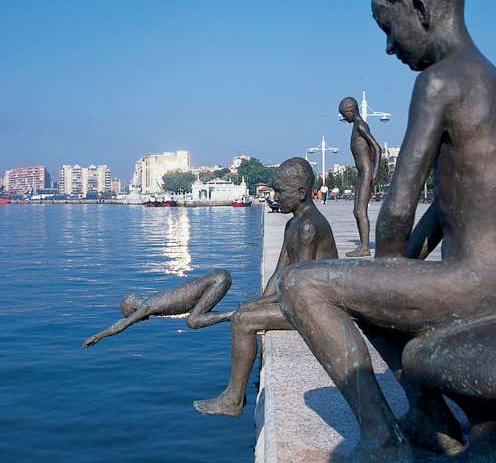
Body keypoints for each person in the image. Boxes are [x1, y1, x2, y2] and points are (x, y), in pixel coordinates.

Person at [276, 0, 496, 462]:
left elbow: (398, 208)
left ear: (420, 10)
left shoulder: (439, 81)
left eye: (388, 25)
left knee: (301, 285)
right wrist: (393, 270)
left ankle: (380, 438)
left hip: (479, 287)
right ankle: (429, 416)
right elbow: (450, 206)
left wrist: (388, 265)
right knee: (374, 281)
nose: (387, 46)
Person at [83, 157, 338, 417]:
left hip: (319, 305)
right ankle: (234, 394)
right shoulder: (293, 223)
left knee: (242, 320)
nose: (275, 196)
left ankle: (233, 400)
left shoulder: (308, 227)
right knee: (246, 311)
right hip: (310, 297)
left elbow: (301, 286)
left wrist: (257, 310)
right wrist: (260, 302)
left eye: (279, 192)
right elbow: (280, 272)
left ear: (301, 193)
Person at [339, 96, 382, 257]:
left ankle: (364, 248)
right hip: (362, 174)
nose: (344, 118)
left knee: (360, 210)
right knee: (356, 211)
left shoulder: (360, 126)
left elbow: (377, 148)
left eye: (344, 114)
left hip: (367, 173)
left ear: (351, 110)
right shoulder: (356, 126)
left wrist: (375, 172)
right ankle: (362, 245)